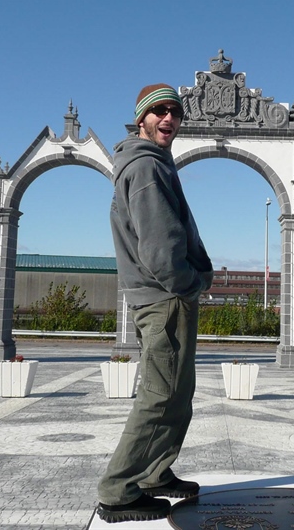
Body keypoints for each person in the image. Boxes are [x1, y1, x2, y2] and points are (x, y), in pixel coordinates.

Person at [96, 83, 214, 524]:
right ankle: (117, 492)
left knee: (177, 393)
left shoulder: (152, 164)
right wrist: (188, 284)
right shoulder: (146, 168)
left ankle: (154, 473)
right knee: (160, 395)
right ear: (141, 118)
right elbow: (161, 246)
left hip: (164, 297)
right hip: (166, 298)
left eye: (175, 113)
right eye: (159, 111)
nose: (168, 119)